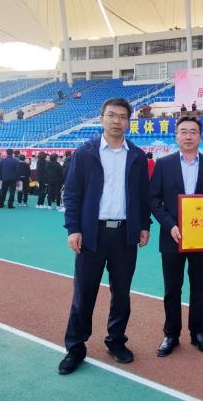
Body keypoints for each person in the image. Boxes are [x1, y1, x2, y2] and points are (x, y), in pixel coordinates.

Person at [59, 98, 151, 375]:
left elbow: (142, 195)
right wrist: (73, 228)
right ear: (102, 119)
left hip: (124, 236)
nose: (117, 121)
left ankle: (116, 341)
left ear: (128, 122)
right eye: (111, 115)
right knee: (84, 294)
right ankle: (75, 347)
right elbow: (72, 193)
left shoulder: (137, 156)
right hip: (91, 235)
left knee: (121, 294)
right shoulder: (85, 153)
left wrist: (144, 225)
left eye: (122, 117)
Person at [149, 115, 203, 357]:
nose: (188, 136)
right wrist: (170, 225)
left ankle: (198, 332)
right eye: (184, 131)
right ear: (176, 136)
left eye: (193, 132)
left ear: (200, 137)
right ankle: (171, 334)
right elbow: (154, 199)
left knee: (199, 287)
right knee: (172, 288)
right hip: (172, 236)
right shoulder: (163, 164)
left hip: (201, 238)